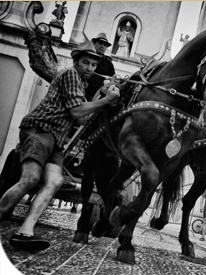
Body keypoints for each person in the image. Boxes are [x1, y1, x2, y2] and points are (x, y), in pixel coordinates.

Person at [0, 40, 120, 251]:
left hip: (55, 139)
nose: (90, 68)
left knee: (54, 182)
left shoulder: (81, 84)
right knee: (30, 178)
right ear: (76, 61)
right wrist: (106, 100)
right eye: (86, 63)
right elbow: (76, 112)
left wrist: (100, 96)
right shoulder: (70, 75)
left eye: (93, 65)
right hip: (39, 129)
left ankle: (25, 232)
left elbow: (82, 119)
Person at [87, 33, 115, 101]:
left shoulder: (108, 64)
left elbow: (113, 79)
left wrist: (108, 85)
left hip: (98, 96)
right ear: (94, 44)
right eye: (100, 43)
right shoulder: (87, 57)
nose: (102, 46)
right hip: (82, 91)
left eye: (105, 45)